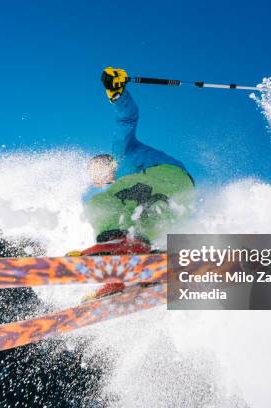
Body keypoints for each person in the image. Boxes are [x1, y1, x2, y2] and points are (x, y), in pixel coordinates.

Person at [75, 67, 194, 300]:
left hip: (165, 176)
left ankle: (119, 255)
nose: (98, 178)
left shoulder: (121, 154)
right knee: (137, 229)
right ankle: (134, 275)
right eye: (93, 176)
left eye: (97, 169)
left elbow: (126, 118)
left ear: (106, 161)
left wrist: (117, 93)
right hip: (179, 193)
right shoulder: (124, 191)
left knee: (99, 204)